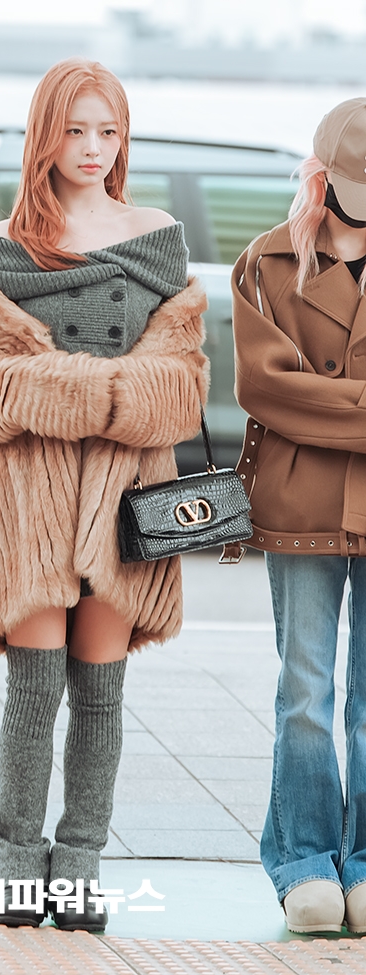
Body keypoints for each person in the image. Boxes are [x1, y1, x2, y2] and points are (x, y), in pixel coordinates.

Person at [0, 57, 208, 932]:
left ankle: (80, 862)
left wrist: (66, 387)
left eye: (109, 130)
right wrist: (94, 389)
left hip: (125, 498)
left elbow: (183, 383)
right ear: (45, 135)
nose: (93, 148)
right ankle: (19, 864)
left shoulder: (157, 236)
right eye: (77, 129)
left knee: (101, 692)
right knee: (33, 687)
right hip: (27, 503)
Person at [231, 97, 366, 935]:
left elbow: (304, 397)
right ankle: (306, 860)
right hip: (301, 499)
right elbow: (266, 387)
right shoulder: (269, 261)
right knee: (306, 688)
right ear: (321, 178)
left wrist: (329, 405)